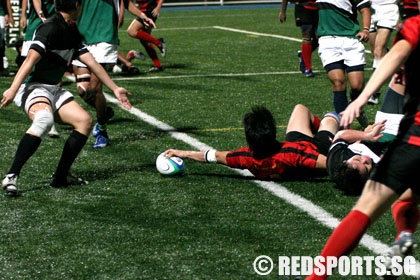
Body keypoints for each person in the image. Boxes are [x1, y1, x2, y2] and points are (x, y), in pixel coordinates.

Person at [305, 15, 420, 280]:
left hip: (415, 136)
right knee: (406, 196)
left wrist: (363, 98)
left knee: (366, 206)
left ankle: (315, 278)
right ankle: (404, 233)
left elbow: (396, 55)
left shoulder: (415, 23)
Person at [0, 0, 132, 196]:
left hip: (53, 89)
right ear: (77, 5)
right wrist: (12, 89)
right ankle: (11, 176)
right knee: (44, 119)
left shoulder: (71, 30)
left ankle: (61, 177)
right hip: (33, 87)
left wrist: (115, 88)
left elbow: (92, 63)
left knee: (85, 121)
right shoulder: (50, 28)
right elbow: (29, 61)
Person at [164, 104, 340, 181]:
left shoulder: (246, 158)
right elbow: (333, 164)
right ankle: (334, 129)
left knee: (300, 109)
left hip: (295, 145)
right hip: (318, 148)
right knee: (331, 118)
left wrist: (184, 153)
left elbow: (214, 156)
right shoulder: (292, 154)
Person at [72, 0, 154, 149]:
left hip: (105, 36)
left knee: (95, 89)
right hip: (81, 34)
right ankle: (104, 111)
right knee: (82, 90)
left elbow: (126, 2)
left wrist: (142, 15)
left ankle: (102, 129)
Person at [327, 83, 404, 196]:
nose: (365, 158)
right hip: (409, 134)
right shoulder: (381, 176)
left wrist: (367, 136)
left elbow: (340, 136)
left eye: (358, 159)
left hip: (386, 124)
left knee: (402, 77)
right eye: (367, 166)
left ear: (345, 161)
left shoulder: (335, 162)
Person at [316, 0, 371, 128]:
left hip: (351, 40)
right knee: (338, 81)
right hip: (328, 41)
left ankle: (357, 107)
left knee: (357, 86)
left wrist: (366, 30)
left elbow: (365, 9)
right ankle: (344, 127)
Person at [367, 0, 400, 105]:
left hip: (388, 8)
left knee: (378, 50)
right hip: (371, 9)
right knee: (376, 53)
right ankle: (399, 66)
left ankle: (373, 93)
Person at [279, 0, 318, 77]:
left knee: (320, 39)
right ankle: (308, 68)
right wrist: (283, 11)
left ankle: (303, 55)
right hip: (303, 8)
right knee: (307, 37)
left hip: (318, 9)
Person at [127, 0, 166, 73]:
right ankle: (158, 65)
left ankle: (158, 42)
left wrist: (158, 7)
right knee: (145, 41)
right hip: (143, 11)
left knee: (131, 31)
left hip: (149, 11)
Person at [0, 0, 12, 76]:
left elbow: (7, 1)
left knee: (1, 41)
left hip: (1, 14)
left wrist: (8, 14)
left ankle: (1, 66)